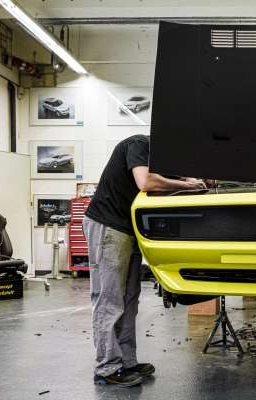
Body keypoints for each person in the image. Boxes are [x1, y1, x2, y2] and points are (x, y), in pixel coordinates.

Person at [83, 134, 206, 387]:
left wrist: (188, 181)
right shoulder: (139, 144)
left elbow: (168, 180)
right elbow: (145, 181)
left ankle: (127, 361)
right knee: (109, 298)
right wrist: (188, 185)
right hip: (108, 225)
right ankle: (107, 367)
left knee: (129, 299)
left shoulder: (158, 161)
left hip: (128, 229)